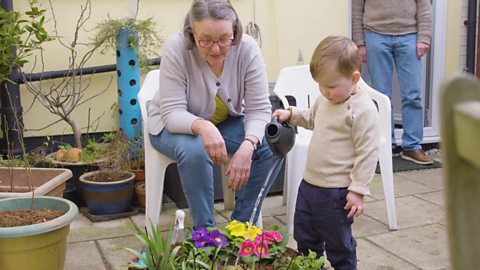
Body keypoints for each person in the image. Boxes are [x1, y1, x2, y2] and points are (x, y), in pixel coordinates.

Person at [147, 0, 280, 229]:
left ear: (235, 31)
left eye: (223, 39)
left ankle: (239, 227)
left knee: (272, 142)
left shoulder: (247, 49)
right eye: (205, 41)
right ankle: (205, 236)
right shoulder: (176, 48)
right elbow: (172, 112)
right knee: (196, 148)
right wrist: (203, 126)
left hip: (222, 124)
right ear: (192, 34)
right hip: (171, 127)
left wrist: (248, 144)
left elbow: (259, 108)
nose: (216, 48)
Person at [272, 35, 379, 269]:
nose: (324, 91)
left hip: (337, 194)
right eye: (320, 85)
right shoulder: (325, 99)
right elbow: (311, 118)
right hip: (310, 184)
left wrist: (358, 190)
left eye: (331, 86)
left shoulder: (362, 110)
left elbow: (368, 152)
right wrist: (292, 115)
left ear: (354, 78)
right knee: (305, 236)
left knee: (338, 243)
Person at [352, 0, 433, 165]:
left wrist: (424, 37)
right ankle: (384, 145)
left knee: (413, 94)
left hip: (409, 35)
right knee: (381, 97)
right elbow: (357, 9)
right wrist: (360, 42)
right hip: (375, 34)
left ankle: (412, 146)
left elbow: (424, 6)